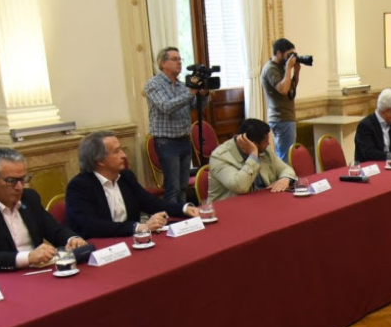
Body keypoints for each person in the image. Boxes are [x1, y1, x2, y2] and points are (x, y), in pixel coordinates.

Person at [66, 131, 199, 239]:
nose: (124, 155)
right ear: (100, 160)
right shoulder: (79, 187)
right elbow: (91, 226)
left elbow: (151, 203)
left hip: (132, 242)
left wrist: (184, 209)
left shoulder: (126, 177)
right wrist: (138, 227)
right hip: (102, 250)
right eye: (117, 151)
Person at [0, 148, 87, 272]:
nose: (19, 187)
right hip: (2, 276)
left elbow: (55, 230)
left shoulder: (29, 197)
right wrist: (27, 257)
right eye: (11, 181)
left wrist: (72, 239)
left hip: (39, 271)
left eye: (23, 179)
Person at [144, 46, 209, 205]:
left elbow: (195, 107)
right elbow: (166, 106)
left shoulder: (182, 85)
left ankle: (183, 214)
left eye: (180, 59)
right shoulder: (154, 84)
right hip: (166, 142)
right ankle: (172, 217)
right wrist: (190, 92)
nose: (179, 62)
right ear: (162, 63)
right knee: (173, 187)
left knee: (182, 186)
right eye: (174, 59)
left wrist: (203, 95)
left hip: (184, 140)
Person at [208, 118, 297, 202]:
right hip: (227, 208)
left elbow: (286, 169)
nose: (268, 144)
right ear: (254, 144)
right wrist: (253, 156)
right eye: (265, 141)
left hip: (260, 202)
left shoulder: (265, 151)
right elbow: (240, 187)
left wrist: (285, 179)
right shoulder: (220, 156)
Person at [261, 38, 302, 163]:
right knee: (286, 158)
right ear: (279, 53)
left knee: (288, 156)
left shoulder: (281, 67)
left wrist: (296, 72)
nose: (291, 58)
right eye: (289, 54)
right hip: (281, 118)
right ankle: (284, 176)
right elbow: (283, 90)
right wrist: (288, 69)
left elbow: (290, 88)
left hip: (286, 117)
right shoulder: (270, 69)